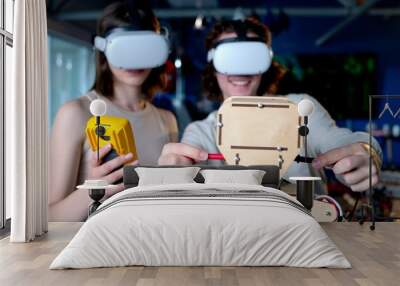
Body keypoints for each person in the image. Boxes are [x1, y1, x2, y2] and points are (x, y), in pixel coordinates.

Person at [158, 18, 381, 194]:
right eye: (230, 60)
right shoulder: (202, 132)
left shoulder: (299, 109)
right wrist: (173, 173)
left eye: (251, 59)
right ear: (213, 67)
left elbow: (340, 140)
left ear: (266, 65)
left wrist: (366, 151)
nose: (240, 71)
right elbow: (183, 168)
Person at [49, 2, 178, 221]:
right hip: (96, 250)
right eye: (124, 49)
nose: (134, 60)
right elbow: (50, 217)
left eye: (143, 50)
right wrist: (94, 190)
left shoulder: (167, 120)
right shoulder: (76, 113)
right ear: (103, 50)